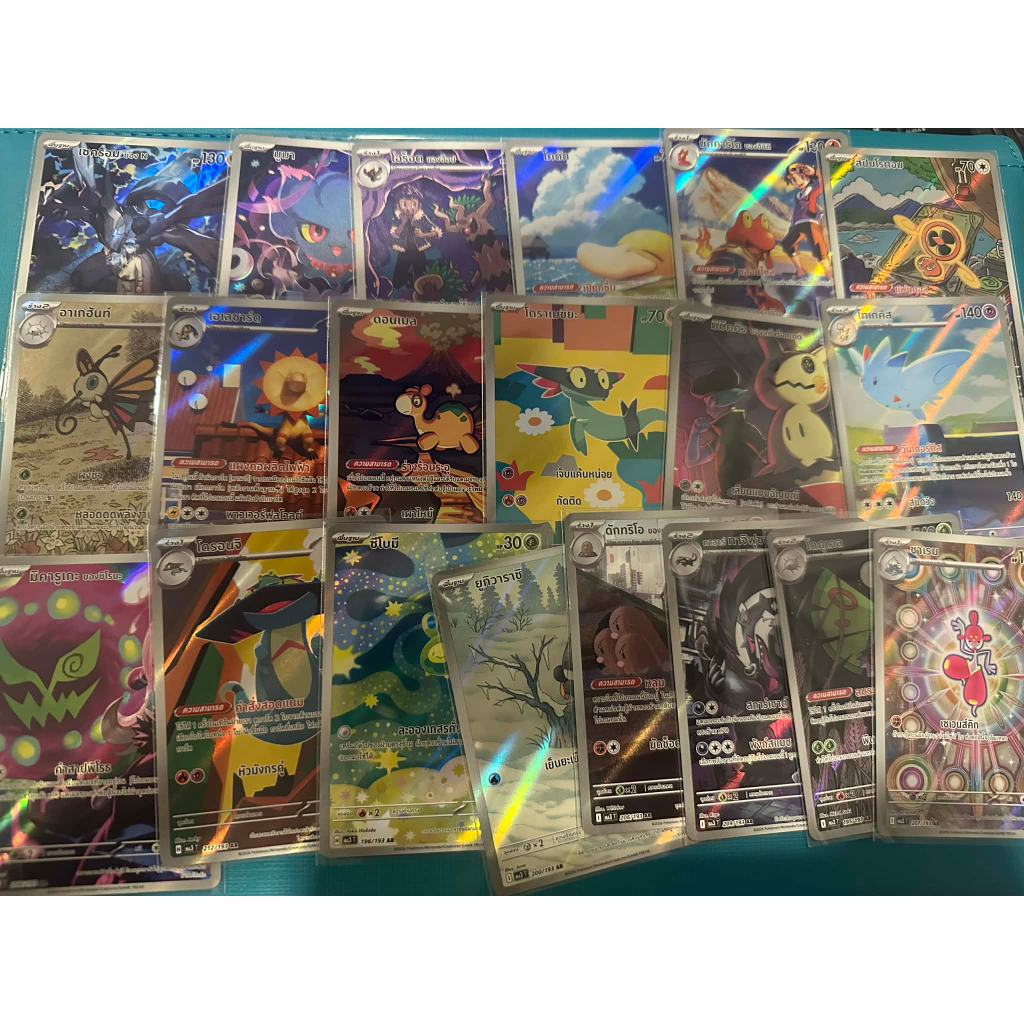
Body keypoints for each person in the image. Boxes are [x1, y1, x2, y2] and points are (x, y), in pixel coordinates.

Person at [389, 185, 442, 288]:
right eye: (404, 204)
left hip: (418, 252)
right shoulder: (397, 218)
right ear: (398, 205)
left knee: (422, 281)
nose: (409, 209)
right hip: (403, 253)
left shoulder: (421, 218)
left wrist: (424, 234)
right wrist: (403, 223)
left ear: (419, 205)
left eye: (414, 204)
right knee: (397, 283)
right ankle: (409, 277)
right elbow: (395, 234)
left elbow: (437, 232)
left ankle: (414, 278)